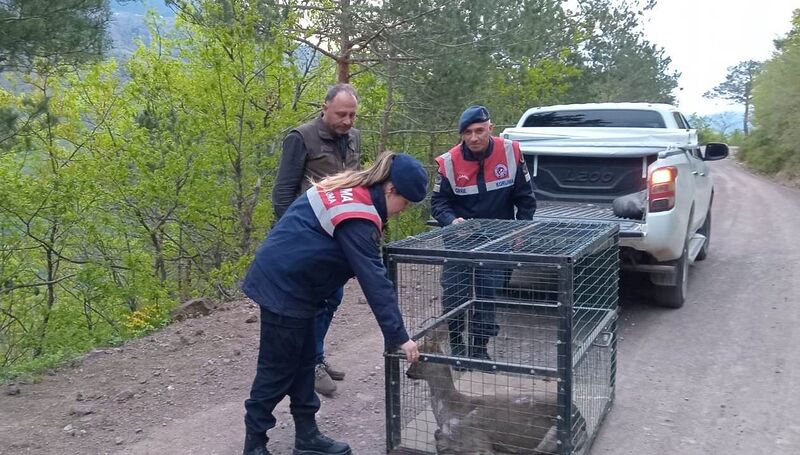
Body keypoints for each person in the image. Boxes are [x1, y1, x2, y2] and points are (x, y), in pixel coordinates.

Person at [242, 152, 426, 455]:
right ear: (391, 189)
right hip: (284, 287)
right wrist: (399, 337)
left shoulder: (353, 190)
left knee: (304, 364)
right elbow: (374, 281)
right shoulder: (359, 214)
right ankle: (255, 444)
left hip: (303, 288)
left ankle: (307, 436)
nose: (400, 212)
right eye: (404, 204)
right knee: (277, 370)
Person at [271, 83, 361, 396]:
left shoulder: (353, 138)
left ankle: (316, 356)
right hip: (307, 237)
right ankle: (309, 366)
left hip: (338, 235)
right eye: (341, 114)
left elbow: (355, 183)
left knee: (332, 298)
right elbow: (282, 192)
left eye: (351, 114)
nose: (347, 121)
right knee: (310, 304)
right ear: (324, 108)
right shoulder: (301, 138)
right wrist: (291, 238)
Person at [431, 105, 537, 362]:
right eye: (468, 132)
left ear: (491, 128)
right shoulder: (449, 162)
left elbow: (525, 198)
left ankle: (479, 349)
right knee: (455, 293)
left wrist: (520, 227)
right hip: (459, 238)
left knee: (487, 293)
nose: (474, 137)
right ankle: (456, 346)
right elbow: (437, 203)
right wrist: (451, 221)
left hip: (497, 237)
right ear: (462, 134)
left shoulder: (510, 153)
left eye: (479, 130)